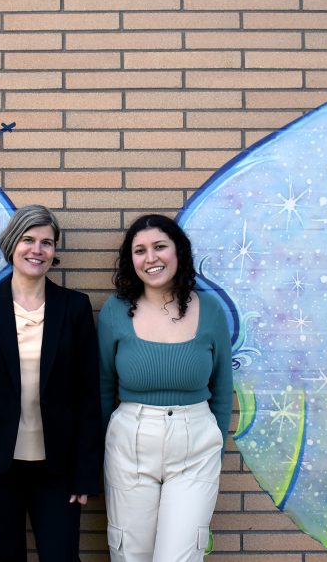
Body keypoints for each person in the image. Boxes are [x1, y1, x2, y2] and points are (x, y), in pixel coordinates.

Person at [0, 205, 102, 562]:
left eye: (47, 243)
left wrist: (85, 474)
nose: (38, 250)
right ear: (12, 244)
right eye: (28, 239)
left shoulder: (74, 308)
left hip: (58, 470)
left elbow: (88, 395)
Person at [98, 214, 233, 562]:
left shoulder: (211, 310)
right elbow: (102, 386)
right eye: (139, 250)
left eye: (160, 247)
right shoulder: (115, 311)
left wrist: (212, 447)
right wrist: (102, 451)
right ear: (131, 260)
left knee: (180, 556)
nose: (151, 258)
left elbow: (221, 388)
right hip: (129, 444)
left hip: (195, 447)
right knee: (131, 555)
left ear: (178, 252)